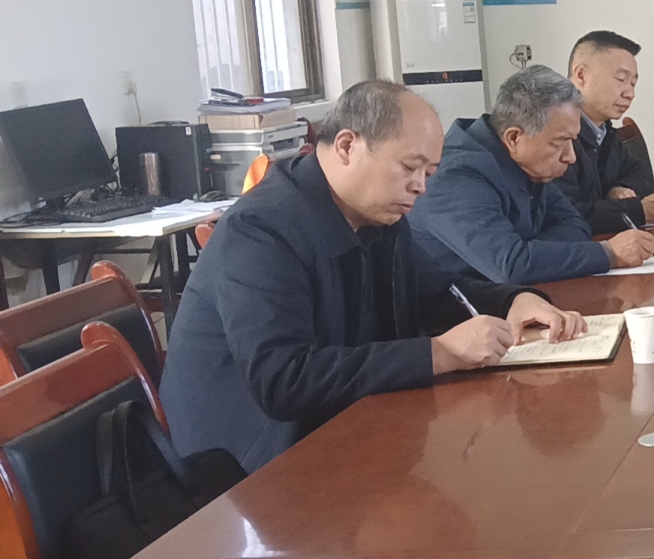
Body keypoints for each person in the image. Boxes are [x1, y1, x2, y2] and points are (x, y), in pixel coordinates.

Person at [161, 80, 587, 472]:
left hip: (348, 424)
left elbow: (435, 291)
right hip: (253, 465)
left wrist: (514, 301)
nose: (420, 187)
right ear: (347, 145)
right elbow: (283, 380)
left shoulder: (373, 212)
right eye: (410, 167)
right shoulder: (262, 229)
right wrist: (438, 352)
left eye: (429, 173)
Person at [411, 64, 654, 284]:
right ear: (514, 137)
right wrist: (609, 254)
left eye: (572, 141)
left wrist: (531, 251)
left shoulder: (530, 164)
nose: (570, 157)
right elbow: (511, 266)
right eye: (559, 143)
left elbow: (576, 224)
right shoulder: (456, 176)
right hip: (459, 314)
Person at [554, 30, 654, 232]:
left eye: (633, 83)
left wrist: (621, 188)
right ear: (581, 75)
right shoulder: (556, 136)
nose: (630, 93)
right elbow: (565, 214)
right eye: (621, 79)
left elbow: (642, 174)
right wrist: (637, 210)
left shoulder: (603, 130)